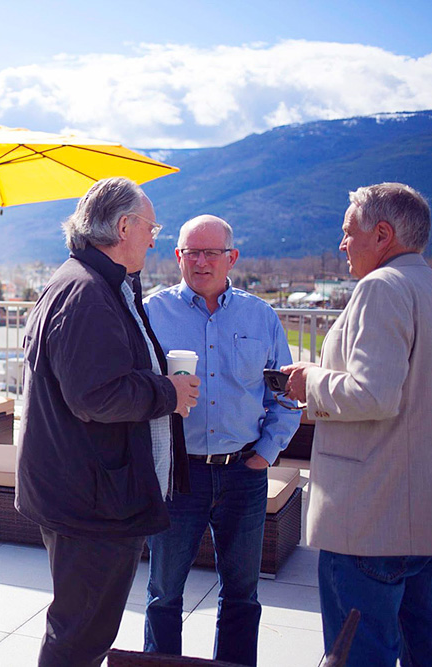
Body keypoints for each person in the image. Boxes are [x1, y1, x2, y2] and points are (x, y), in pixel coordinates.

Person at [16, 177, 201, 667]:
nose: (154, 237)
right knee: (80, 636)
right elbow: (96, 396)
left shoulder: (87, 282)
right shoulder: (88, 293)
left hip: (89, 491)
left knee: (82, 629)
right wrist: (169, 392)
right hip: (91, 501)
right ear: (123, 227)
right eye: (150, 227)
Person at [282, 183, 432, 667]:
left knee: (358, 656)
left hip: (368, 520)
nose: (341, 244)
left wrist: (309, 381)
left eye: (347, 233)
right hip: (429, 520)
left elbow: (373, 393)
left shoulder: (381, 288)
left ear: (382, 234)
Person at [143, 215, 301, 666]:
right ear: (177, 256)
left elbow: (286, 394)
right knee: (163, 594)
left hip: (243, 474)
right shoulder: (154, 313)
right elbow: (135, 388)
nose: (201, 261)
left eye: (212, 252)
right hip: (178, 472)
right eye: (191, 251)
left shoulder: (261, 316)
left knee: (241, 596)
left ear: (232, 257)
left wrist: (265, 455)